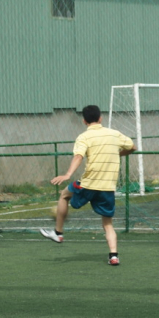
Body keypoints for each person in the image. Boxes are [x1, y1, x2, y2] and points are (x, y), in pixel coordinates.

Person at [40, 105, 135, 266]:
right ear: (101, 118)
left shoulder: (84, 137)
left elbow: (78, 156)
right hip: (108, 187)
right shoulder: (114, 134)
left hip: (89, 184)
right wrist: (117, 153)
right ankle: (113, 256)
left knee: (64, 195)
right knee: (108, 223)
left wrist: (68, 175)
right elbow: (132, 147)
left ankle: (58, 233)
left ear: (84, 121)